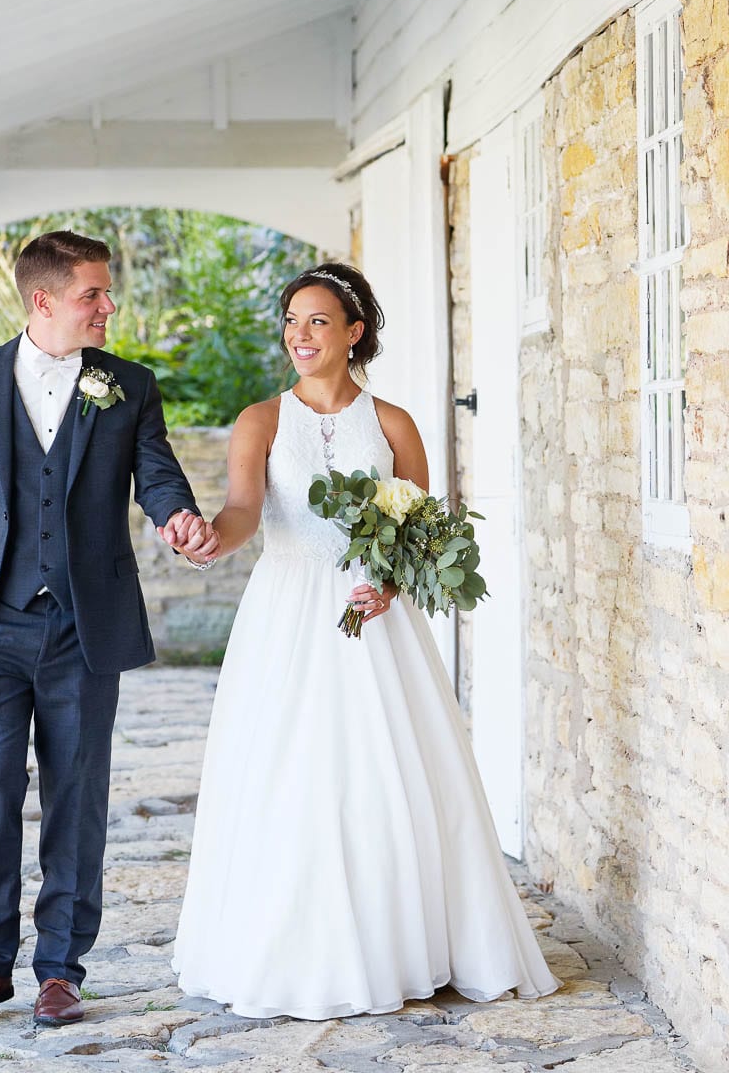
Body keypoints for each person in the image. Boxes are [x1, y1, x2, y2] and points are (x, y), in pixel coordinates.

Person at [171, 262, 562, 1019]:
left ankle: (406, 945)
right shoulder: (260, 420)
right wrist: (210, 540)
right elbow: (245, 510)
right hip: (286, 613)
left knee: (388, 778)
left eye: (317, 321)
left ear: (354, 333)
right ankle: (288, 948)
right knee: (290, 774)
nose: (300, 335)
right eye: (291, 321)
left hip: (370, 619)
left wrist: (388, 584)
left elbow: (422, 527)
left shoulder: (393, 424)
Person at [0, 230, 214, 1026]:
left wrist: (176, 515)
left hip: (83, 625)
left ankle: (61, 970)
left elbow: (159, 473)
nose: (108, 307)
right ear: (44, 300)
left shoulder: (127, 385)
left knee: (77, 795)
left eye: (106, 294)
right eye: (92, 295)